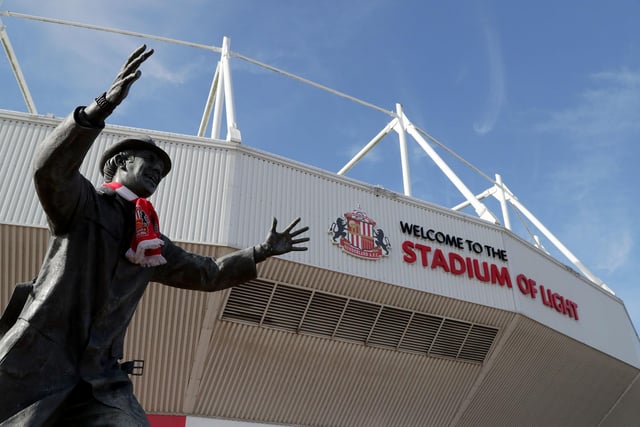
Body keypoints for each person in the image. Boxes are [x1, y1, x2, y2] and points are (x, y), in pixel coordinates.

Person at [0, 45, 309, 426]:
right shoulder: (83, 205)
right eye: (151, 164)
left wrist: (259, 252)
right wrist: (100, 108)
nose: (157, 174)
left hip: (100, 378)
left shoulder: (150, 242)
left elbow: (206, 272)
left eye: (162, 173)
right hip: (38, 358)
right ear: (121, 163)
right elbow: (50, 169)